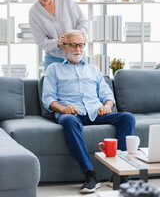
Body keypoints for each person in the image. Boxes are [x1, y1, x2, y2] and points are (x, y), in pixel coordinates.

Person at [42, 30, 135, 194]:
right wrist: (63, 109)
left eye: (81, 45)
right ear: (64, 47)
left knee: (127, 118)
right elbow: (48, 99)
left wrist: (107, 105)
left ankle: (119, 174)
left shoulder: (93, 70)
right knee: (68, 121)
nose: (78, 49)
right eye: (73, 45)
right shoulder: (53, 69)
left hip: (96, 113)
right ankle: (90, 174)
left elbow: (108, 95)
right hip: (73, 114)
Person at [29, 0, 88, 70]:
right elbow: (41, 41)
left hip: (77, 54)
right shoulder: (33, 12)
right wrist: (57, 42)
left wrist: (81, 36)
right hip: (54, 59)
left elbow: (82, 21)